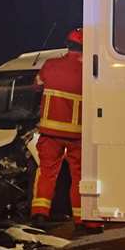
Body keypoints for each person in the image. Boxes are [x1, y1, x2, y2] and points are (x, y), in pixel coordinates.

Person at [30, 28, 99, 233]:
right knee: (80, 178)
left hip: (50, 133)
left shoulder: (51, 65)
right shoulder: (91, 71)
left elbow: (36, 86)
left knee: (46, 173)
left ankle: (40, 214)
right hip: (78, 136)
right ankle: (84, 221)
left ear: (68, 45)